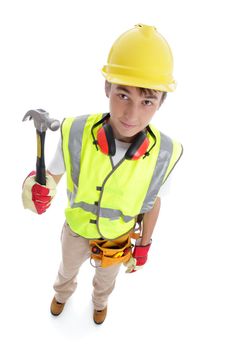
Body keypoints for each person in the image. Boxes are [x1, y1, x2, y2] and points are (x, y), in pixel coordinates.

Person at [22, 24, 183, 325]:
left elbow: (154, 201)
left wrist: (144, 244)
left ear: (161, 102)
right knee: (67, 269)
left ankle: (99, 302)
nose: (131, 114)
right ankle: (62, 294)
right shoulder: (76, 132)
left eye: (147, 101)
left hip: (118, 237)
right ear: (107, 87)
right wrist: (35, 188)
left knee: (107, 281)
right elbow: (52, 177)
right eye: (123, 95)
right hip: (76, 230)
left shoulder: (165, 153)